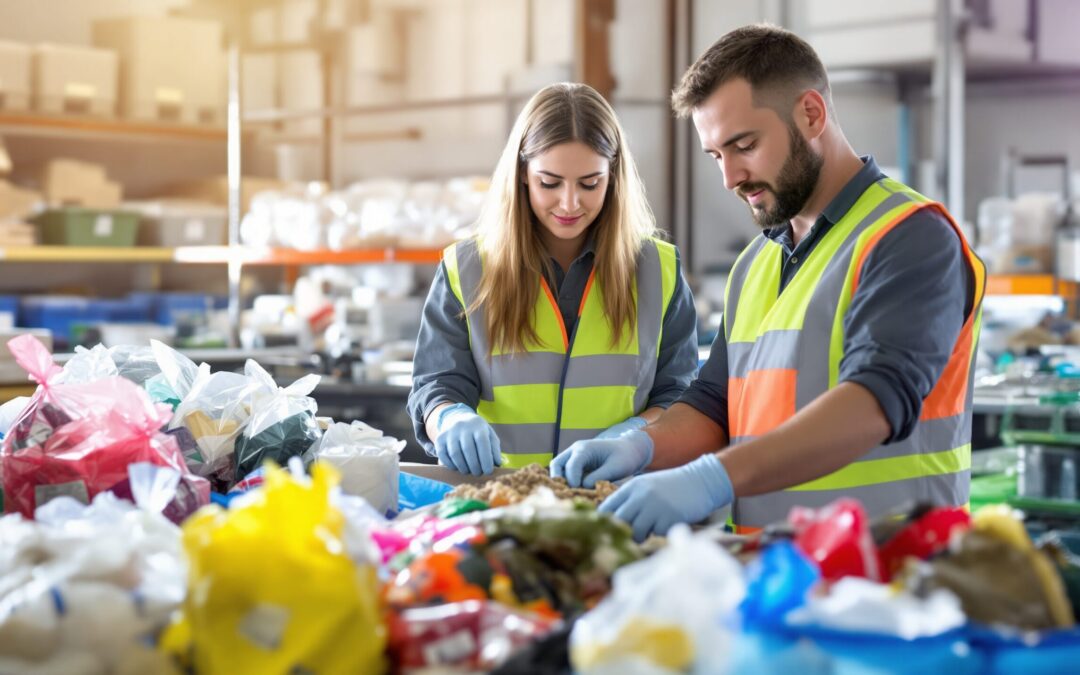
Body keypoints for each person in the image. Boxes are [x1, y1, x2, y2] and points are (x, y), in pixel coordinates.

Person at [551, 24, 986, 541]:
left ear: (811, 114)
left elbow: (874, 399)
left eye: (745, 146)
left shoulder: (909, 237)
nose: (730, 177)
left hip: (892, 578)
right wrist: (641, 445)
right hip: (777, 575)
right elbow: (713, 404)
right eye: (716, 156)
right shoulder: (756, 262)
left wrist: (712, 477)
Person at [407, 82, 699, 476]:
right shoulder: (467, 269)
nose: (569, 203)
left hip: (620, 499)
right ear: (522, 174)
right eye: (550, 182)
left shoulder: (657, 271)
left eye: (589, 183)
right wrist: (447, 417)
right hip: (502, 502)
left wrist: (634, 436)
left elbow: (680, 393)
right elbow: (436, 383)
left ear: (613, 177)